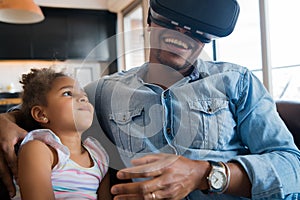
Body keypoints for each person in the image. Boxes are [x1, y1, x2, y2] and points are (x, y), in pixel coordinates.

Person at [0, 0, 300, 199]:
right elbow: (44, 111)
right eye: (173, 24)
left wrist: (206, 174)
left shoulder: (238, 81)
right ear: (151, 21)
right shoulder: (103, 92)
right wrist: (6, 120)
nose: (183, 35)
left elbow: (292, 167)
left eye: (197, 33)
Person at [13, 68, 111, 200]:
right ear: (41, 114)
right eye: (67, 93)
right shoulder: (38, 150)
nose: (82, 98)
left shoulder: (99, 156)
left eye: (84, 96)